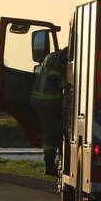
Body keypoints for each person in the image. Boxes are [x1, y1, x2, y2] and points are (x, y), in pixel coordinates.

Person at [30, 48, 67, 176]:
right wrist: (67, 86)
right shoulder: (56, 60)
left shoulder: (52, 58)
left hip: (45, 102)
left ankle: (52, 163)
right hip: (47, 102)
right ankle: (49, 165)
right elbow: (54, 79)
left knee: (52, 132)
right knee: (51, 132)